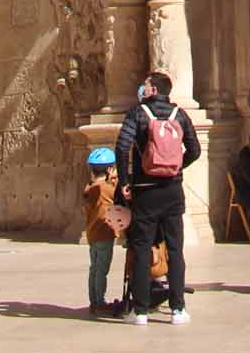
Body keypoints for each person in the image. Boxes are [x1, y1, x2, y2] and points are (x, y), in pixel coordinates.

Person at [116, 70, 201, 326]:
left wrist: (124, 181)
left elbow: (121, 146)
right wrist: (175, 167)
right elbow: (195, 149)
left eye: (146, 86)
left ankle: (140, 311)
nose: (143, 89)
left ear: (152, 90)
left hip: (146, 189)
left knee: (142, 248)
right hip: (173, 190)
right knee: (175, 249)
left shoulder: (138, 113)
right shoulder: (180, 114)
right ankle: (178, 309)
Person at [82, 145, 125, 318]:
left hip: (92, 235)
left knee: (94, 268)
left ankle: (94, 301)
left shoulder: (89, 187)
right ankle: (100, 302)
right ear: (109, 169)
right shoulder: (108, 189)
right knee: (102, 270)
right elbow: (120, 195)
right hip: (104, 234)